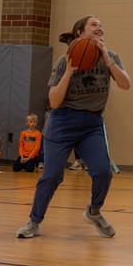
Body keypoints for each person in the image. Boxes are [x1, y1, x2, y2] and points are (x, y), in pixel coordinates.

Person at [16, 14, 130, 240]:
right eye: (94, 24)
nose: (100, 27)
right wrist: (69, 71)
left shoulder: (111, 56)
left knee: (102, 172)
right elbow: (54, 101)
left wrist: (107, 59)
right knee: (51, 176)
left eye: (101, 24)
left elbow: (125, 84)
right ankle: (34, 222)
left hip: (92, 123)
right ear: (80, 32)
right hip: (62, 122)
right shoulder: (63, 60)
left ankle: (94, 212)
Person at [58, 32, 87, 172]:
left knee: (85, 138)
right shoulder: (64, 62)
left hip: (86, 110)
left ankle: (86, 160)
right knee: (73, 138)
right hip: (68, 111)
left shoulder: (88, 58)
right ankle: (76, 161)